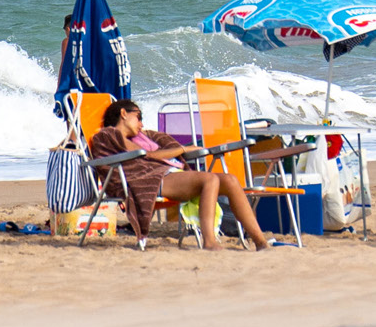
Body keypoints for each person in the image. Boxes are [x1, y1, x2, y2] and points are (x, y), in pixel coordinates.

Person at [89, 99, 284, 252]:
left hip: (165, 174)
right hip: (145, 179)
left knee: (231, 180)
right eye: (138, 117)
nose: (141, 124)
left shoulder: (143, 137)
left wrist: (168, 146)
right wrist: (182, 149)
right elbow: (148, 155)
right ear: (123, 113)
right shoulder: (108, 135)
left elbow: (158, 149)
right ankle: (209, 241)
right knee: (209, 179)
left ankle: (260, 241)